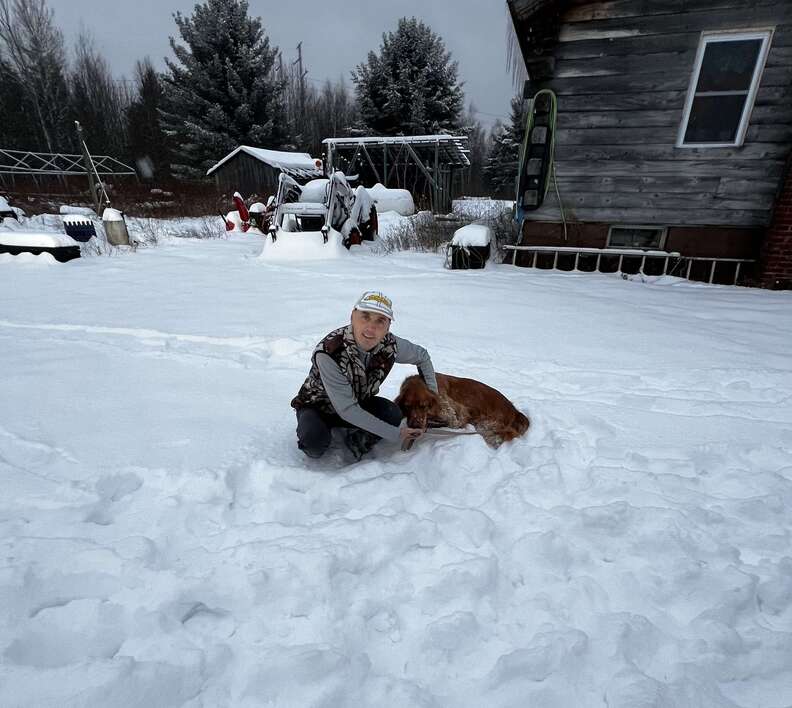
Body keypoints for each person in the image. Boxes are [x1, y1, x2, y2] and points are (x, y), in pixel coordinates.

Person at [291, 291, 437, 460]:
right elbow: (347, 410)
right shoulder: (330, 351)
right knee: (313, 443)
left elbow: (422, 356)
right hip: (318, 407)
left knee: (393, 414)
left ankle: (356, 441)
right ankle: (318, 429)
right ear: (352, 317)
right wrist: (396, 434)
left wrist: (433, 396)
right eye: (365, 317)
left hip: (358, 402)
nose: (371, 328)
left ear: (388, 326)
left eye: (380, 320)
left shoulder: (390, 345)